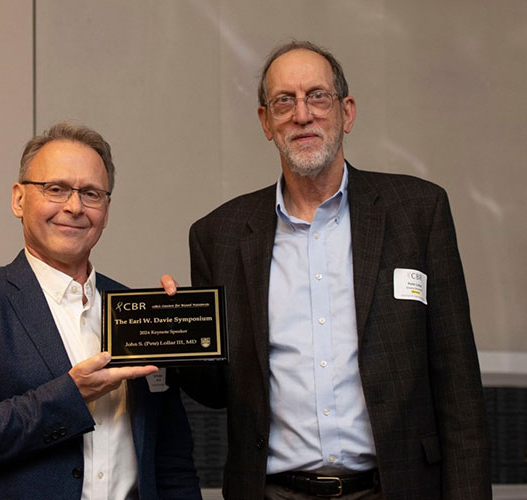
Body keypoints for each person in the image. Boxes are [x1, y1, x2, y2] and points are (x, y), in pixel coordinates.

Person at [164, 40, 491, 499]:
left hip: (397, 488)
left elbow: (459, 386)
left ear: (347, 112)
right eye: (284, 101)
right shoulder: (219, 234)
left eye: (318, 96)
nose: (302, 114)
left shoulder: (418, 212)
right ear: (265, 122)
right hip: (272, 491)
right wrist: (180, 336)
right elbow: (219, 390)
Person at [0, 122, 202, 500]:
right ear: (19, 199)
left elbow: (171, 461)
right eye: (55, 189)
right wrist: (70, 394)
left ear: (106, 208)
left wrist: (181, 326)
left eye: (91, 193)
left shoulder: (136, 311)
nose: (74, 207)